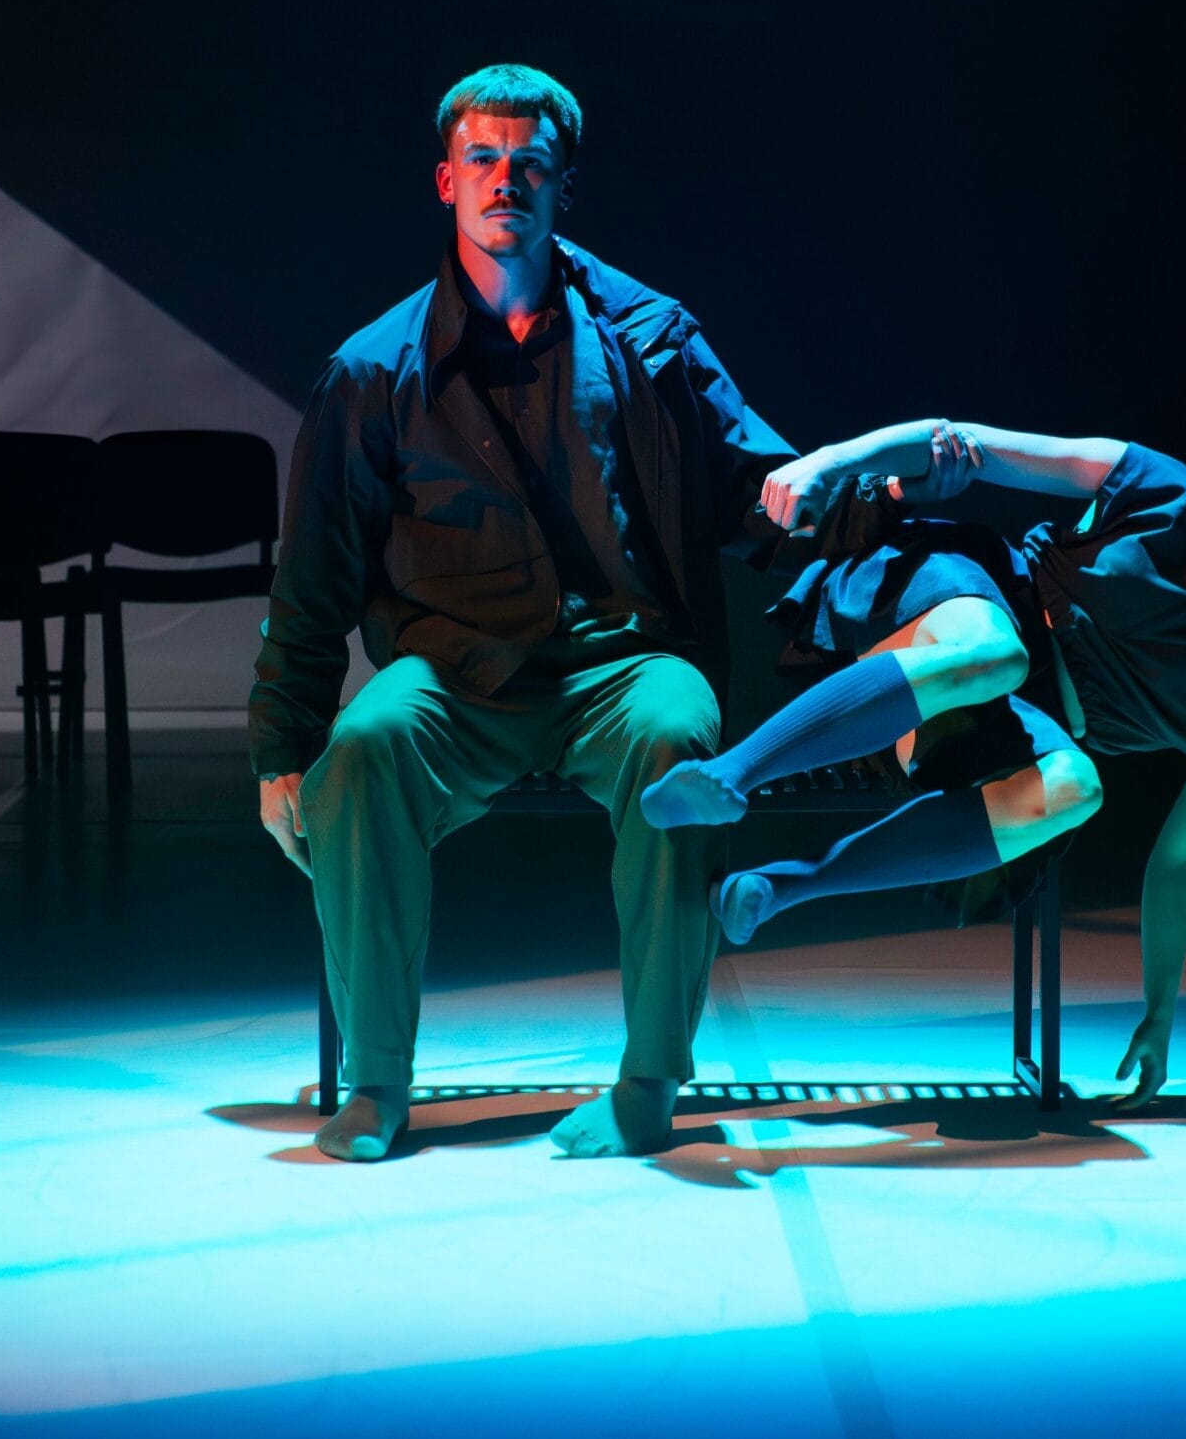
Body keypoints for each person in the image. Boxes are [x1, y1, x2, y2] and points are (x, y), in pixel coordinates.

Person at [250, 64, 795, 1162]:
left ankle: (649, 1081)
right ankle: (375, 1083)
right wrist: (279, 749)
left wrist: (837, 501)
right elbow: (312, 571)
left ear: (562, 186)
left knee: (677, 741)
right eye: (486, 160)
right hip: (456, 672)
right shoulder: (374, 369)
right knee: (360, 752)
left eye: (530, 162)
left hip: (624, 659)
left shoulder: (651, 335)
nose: (508, 180)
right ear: (446, 180)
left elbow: (757, 486)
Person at [640, 409, 1186, 1106]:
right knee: (996, 651)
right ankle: (730, 777)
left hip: (997, 722)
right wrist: (834, 460)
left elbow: (1182, 854)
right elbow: (959, 435)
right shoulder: (1162, 486)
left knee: (1076, 787)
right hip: (960, 597)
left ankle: (781, 888)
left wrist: (1159, 1014)